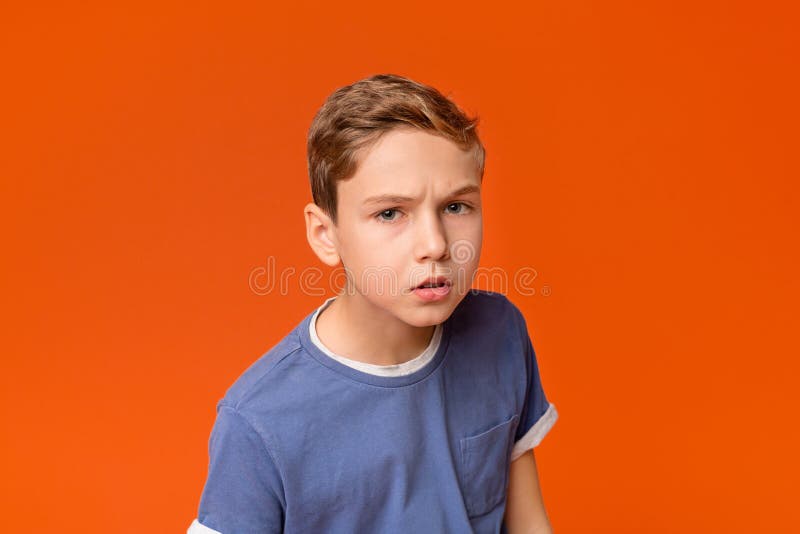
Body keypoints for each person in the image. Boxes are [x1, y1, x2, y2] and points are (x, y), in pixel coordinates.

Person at [187, 73, 559, 534]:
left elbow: (527, 522)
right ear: (326, 235)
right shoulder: (258, 422)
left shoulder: (500, 332)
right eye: (389, 213)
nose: (435, 244)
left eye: (456, 206)